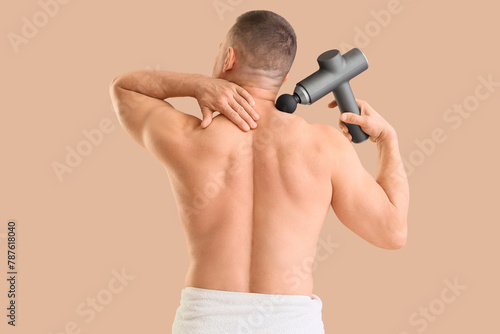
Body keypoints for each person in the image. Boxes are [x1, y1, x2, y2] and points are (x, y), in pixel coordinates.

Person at [109, 9, 409, 334]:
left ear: (229, 57)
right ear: (282, 75)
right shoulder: (325, 147)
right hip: (291, 324)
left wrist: (197, 84)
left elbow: (124, 89)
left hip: (207, 321)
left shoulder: (190, 136)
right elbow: (392, 232)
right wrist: (387, 140)